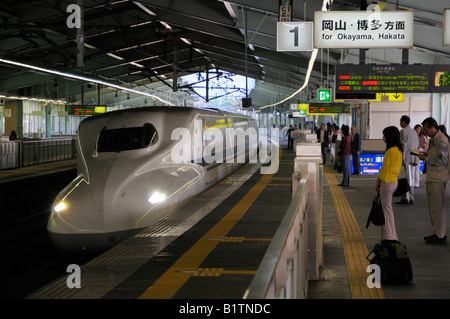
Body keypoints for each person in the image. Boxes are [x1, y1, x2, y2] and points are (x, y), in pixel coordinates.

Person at [419, 117, 450, 245]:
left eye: (426, 129)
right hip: (433, 177)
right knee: (433, 207)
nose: (425, 132)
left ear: (433, 127)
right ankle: (436, 232)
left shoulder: (441, 140)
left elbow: (442, 160)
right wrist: (426, 155)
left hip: (438, 178)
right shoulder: (434, 140)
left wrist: (426, 159)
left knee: (437, 207)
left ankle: (440, 235)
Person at [375, 126, 403, 241]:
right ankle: (390, 236)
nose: (383, 137)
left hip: (387, 182)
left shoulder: (391, 151)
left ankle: (389, 237)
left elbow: (385, 169)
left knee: (386, 210)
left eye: (384, 135)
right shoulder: (398, 149)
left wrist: (378, 181)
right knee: (388, 209)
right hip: (393, 181)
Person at [396, 115, 420, 205]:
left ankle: (406, 198)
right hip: (415, 157)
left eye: (400, 122)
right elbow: (417, 145)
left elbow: (403, 145)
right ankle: (411, 197)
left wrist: (402, 158)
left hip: (407, 158)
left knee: (406, 178)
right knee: (412, 178)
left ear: (404, 122)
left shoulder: (403, 131)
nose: (400, 123)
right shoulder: (414, 132)